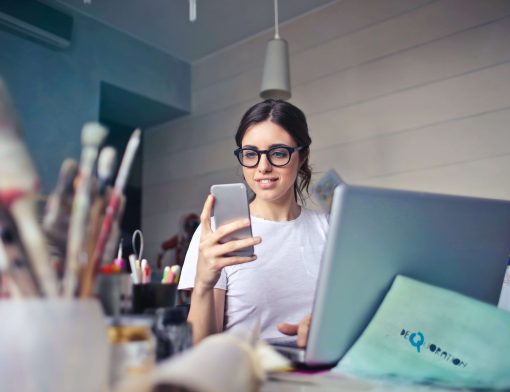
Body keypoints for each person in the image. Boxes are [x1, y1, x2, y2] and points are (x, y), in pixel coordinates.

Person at [178, 99, 329, 345]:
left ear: (302, 156)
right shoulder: (217, 234)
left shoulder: (330, 229)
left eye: (278, 153)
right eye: (251, 154)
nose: (263, 167)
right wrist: (204, 284)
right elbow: (201, 348)